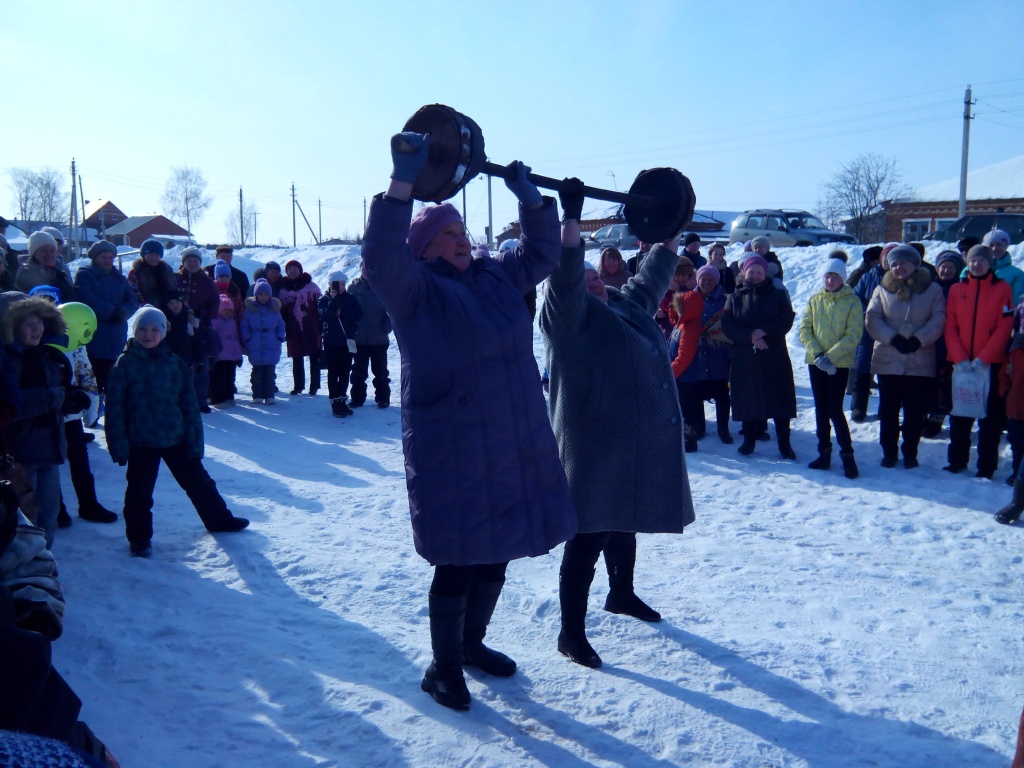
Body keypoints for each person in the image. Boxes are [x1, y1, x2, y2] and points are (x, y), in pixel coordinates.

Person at [361, 130, 576, 711]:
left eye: (462, 232)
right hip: (451, 445)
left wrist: (533, 202)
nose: (459, 240)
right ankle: (443, 667)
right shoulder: (414, 292)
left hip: (512, 436)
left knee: (496, 549)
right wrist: (401, 182)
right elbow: (379, 257)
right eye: (446, 235)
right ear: (424, 249)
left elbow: (542, 253)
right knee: (459, 557)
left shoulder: (495, 277)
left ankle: (472, 644)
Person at [541, 179, 693, 669]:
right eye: (585, 284)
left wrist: (669, 235)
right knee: (587, 538)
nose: (593, 284)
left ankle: (621, 594)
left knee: (624, 520)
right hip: (591, 448)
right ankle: (571, 633)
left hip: (630, 443)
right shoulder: (568, 324)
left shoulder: (624, 307)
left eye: (595, 280)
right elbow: (564, 283)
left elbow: (649, 279)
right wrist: (571, 223)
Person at [104, 306, 249, 558]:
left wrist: (195, 440)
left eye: (153, 330)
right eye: (142, 329)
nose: (147, 335)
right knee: (139, 493)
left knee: (200, 483)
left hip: (176, 437)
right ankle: (139, 539)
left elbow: (189, 406)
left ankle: (219, 520)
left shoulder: (174, 364)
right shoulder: (124, 365)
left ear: (163, 332)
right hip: (142, 441)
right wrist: (118, 444)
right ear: (134, 331)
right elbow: (115, 409)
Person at [3, 298, 82, 547]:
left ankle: (45, 565)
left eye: (38, 322)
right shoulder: (9, 362)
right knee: (26, 516)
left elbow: (57, 392)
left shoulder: (49, 356)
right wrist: (53, 398)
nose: (35, 329)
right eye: (27, 323)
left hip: (50, 448)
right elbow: (10, 406)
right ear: (11, 327)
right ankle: (26, 568)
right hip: (21, 452)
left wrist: (69, 399)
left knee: (50, 513)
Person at [865, 245, 946, 469]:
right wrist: (892, 338)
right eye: (894, 264)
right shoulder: (882, 290)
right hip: (889, 359)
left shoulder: (933, 290)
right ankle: (889, 452)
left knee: (914, 412)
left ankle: (910, 452)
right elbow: (872, 318)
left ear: (915, 264)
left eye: (904, 263)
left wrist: (919, 339)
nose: (899, 267)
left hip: (920, 359)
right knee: (888, 410)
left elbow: (938, 319)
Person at [942, 244, 1013, 478]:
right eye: (973, 260)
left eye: (981, 260)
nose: (977, 264)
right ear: (968, 263)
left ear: (989, 263)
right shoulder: (956, 290)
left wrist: (985, 357)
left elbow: (1005, 326)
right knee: (960, 413)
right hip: (961, 364)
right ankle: (957, 460)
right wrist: (960, 357)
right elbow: (950, 326)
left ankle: (986, 466)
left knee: (989, 419)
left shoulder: (1002, 289)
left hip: (989, 364)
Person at [722, 254, 797, 458]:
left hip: (774, 354)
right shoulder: (734, 298)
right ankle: (749, 441)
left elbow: (786, 319)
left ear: (765, 274)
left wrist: (763, 331)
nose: (754, 275)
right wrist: (751, 336)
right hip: (745, 355)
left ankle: (784, 444)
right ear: (744, 272)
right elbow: (728, 325)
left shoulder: (778, 295)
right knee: (748, 398)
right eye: (751, 271)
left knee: (779, 400)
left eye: (758, 272)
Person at [798, 257, 862, 478]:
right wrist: (817, 354)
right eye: (827, 275)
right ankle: (824, 453)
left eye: (834, 275)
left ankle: (847, 455)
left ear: (842, 278)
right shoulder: (815, 299)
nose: (830, 279)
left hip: (839, 364)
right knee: (821, 409)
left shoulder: (852, 301)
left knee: (834, 409)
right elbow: (805, 329)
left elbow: (853, 334)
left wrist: (831, 357)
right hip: (816, 363)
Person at [73, 240, 137, 398]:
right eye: (103, 257)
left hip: (116, 333)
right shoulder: (85, 275)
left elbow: (132, 300)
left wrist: (123, 312)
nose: (108, 260)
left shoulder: (119, 278)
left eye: (110, 257)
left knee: (114, 380)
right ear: (95, 258)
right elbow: (86, 297)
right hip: (95, 333)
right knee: (95, 377)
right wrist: (110, 312)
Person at [678, 264, 733, 444]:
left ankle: (723, 429)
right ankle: (699, 428)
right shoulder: (688, 299)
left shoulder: (725, 301)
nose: (706, 282)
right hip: (696, 355)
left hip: (718, 353)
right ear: (698, 280)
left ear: (716, 281)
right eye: (703, 279)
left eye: (710, 279)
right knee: (696, 394)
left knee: (722, 395)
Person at [849, 242, 897, 422]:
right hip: (868, 329)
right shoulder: (868, 277)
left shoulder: (901, 279)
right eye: (886, 257)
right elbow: (855, 300)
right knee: (862, 368)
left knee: (888, 373)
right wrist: (870, 312)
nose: (889, 261)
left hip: (891, 332)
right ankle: (858, 406)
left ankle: (886, 408)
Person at [922, 250, 965, 439]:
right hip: (930, 340)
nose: (946, 270)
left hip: (950, 342)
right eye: (943, 266)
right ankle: (922, 414)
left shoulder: (961, 289)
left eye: (951, 267)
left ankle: (937, 418)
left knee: (944, 382)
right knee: (926, 380)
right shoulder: (929, 287)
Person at [176, 246, 219, 413]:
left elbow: (215, 303)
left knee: (201, 365)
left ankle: (201, 400)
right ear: (184, 262)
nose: (192, 263)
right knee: (181, 365)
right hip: (179, 329)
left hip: (200, 328)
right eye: (189, 260)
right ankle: (182, 401)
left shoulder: (207, 281)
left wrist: (202, 315)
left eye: (195, 260)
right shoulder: (175, 279)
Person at [668, 267, 705, 452]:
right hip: (680, 377)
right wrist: (671, 309)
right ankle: (685, 435)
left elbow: (684, 356)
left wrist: (671, 372)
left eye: (679, 307)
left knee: (687, 410)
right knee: (682, 408)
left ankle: (690, 439)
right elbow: (673, 321)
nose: (677, 310)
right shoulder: (682, 323)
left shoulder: (690, 328)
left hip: (685, 377)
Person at [347, 260, 392, 409]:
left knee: (381, 372)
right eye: (364, 267)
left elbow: (392, 309)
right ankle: (357, 399)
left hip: (379, 338)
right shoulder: (353, 287)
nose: (366, 270)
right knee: (358, 371)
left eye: (370, 267)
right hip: (359, 338)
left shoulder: (384, 286)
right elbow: (347, 310)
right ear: (360, 269)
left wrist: (386, 327)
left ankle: (383, 398)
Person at [317, 271, 362, 417]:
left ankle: (342, 400)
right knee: (333, 372)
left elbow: (358, 314)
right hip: (331, 342)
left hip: (346, 341)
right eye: (336, 284)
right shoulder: (324, 299)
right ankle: (334, 402)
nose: (340, 287)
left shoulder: (351, 299)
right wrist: (333, 303)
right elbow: (325, 316)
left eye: (342, 284)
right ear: (330, 285)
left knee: (345, 372)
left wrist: (341, 311)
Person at [279, 260, 322, 396]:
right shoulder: (283, 290)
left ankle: (314, 387)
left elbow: (320, 307)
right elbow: (281, 312)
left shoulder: (312, 287)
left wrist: (315, 320)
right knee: (297, 358)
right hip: (293, 329)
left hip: (312, 327)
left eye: (294, 268)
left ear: (300, 270)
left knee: (314, 358)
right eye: (289, 269)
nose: (292, 271)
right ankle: (298, 386)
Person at [240, 279, 285, 405]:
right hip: (255, 343)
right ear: (256, 295)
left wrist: (279, 337)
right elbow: (244, 326)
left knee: (270, 373)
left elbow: (280, 325)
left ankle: (269, 394)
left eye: (266, 294)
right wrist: (247, 338)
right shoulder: (250, 310)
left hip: (272, 343)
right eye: (260, 294)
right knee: (257, 373)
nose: (263, 297)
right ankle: (257, 395)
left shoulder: (275, 310)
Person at [14, 232, 76, 301]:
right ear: (34, 253)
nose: (49, 254)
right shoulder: (26, 275)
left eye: (52, 250)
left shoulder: (60, 275)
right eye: (44, 250)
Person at [209, 297, 243, 407]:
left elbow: (236, 337)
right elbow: (213, 338)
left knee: (230, 377)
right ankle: (218, 399)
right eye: (225, 310)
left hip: (232, 354)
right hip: (220, 354)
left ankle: (229, 396)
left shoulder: (232, 322)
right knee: (219, 378)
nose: (228, 313)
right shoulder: (215, 321)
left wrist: (238, 354)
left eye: (230, 310)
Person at [127, 238, 177, 309]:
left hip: (168, 308)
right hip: (145, 310)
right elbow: (134, 293)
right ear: (143, 255)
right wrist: (145, 306)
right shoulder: (136, 272)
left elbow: (174, 289)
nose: (153, 258)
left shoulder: (167, 270)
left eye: (157, 255)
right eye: (150, 255)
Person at [982, 229, 1024, 307]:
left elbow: (1017, 303)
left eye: (999, 244)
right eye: (991, 245)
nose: (994, 248)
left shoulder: (1017, 274)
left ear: (1006, 246)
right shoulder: (973, 270)